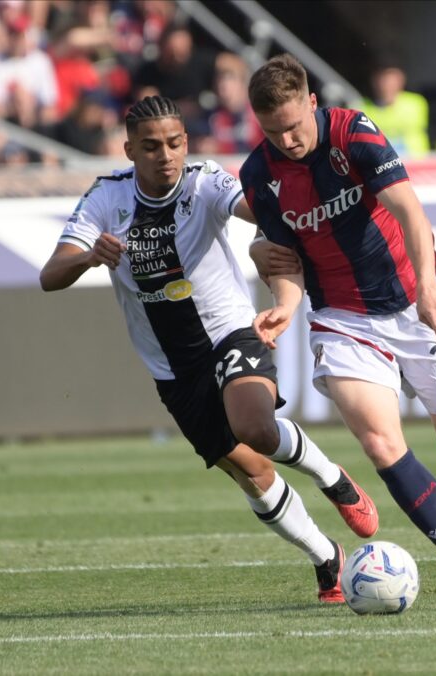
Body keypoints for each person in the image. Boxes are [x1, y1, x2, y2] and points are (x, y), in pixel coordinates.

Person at [39, 95, 379, 604]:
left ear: (186, 143)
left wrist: (273, 228)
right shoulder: (107, 198)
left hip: (230, 334)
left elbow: (253, 206)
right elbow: (50, 276)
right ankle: (326, 558)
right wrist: (90, 256)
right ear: (130, 150)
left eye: (175, 143)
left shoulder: (205, 179)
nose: (165, 155)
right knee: (253, 472)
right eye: (151, 147)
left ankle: (333, 478)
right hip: (172, 366)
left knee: (256, 427)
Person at [240, 54, 436, 612]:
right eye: (274, 131)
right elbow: (287, 262)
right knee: (380, 443)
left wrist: (427, 289)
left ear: (312, 103)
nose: (288, 140)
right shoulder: (259, 175)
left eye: (295, 125)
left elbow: (411, 212)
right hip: (341, 319)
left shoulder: (354, 135)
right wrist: (286, 307)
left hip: (412, 304)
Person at [359, 64, 430, 157]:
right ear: (374, 82)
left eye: (391, 82)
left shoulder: (416, 102)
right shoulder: (361, 107)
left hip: (415, 164)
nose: (386, 86)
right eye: (383, 81)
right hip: (381, 166)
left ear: (401, 81)